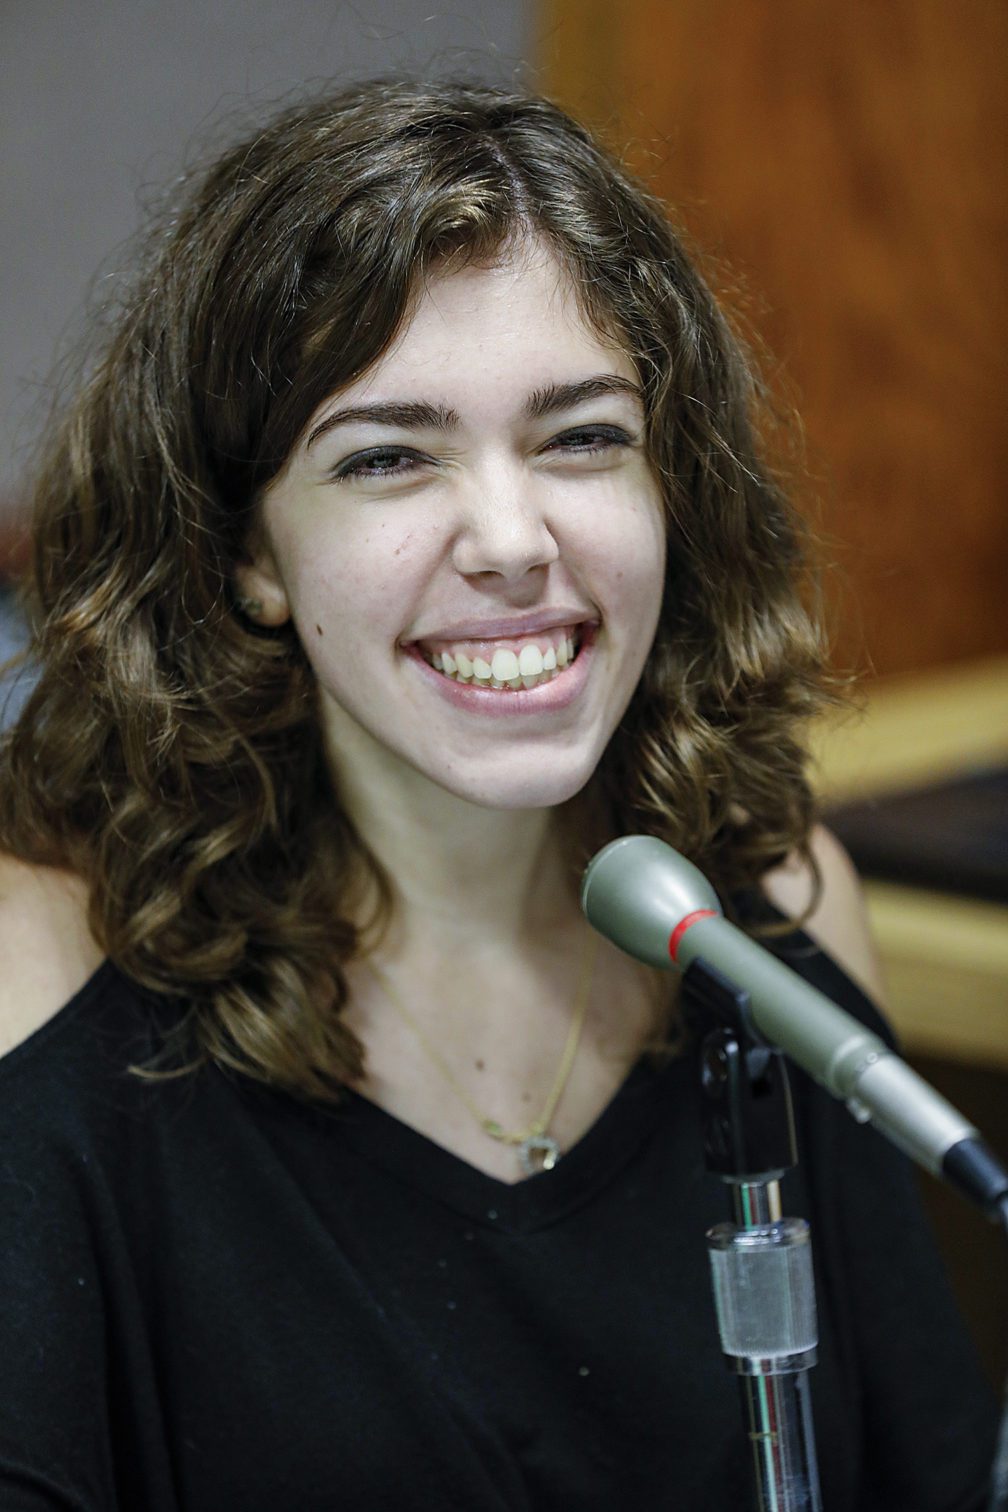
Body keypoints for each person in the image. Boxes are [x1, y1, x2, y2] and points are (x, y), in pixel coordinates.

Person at [0, 79, 995, 1510]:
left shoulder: (769, 917)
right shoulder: (48, 969)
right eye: (390, 458)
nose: (514, 541)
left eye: (582, 436)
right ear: (251, 558)